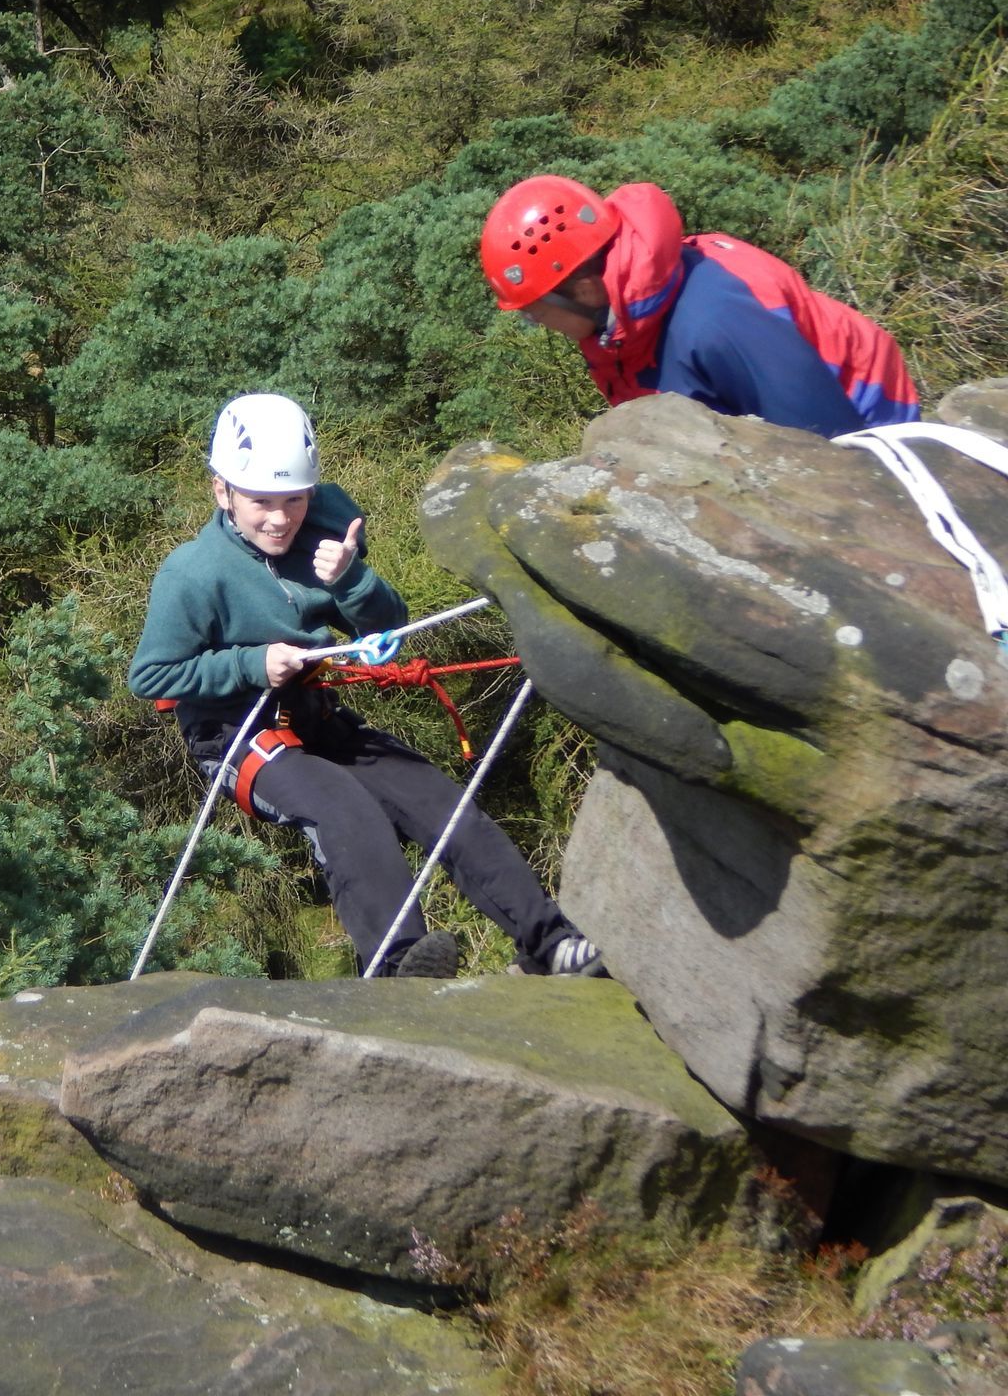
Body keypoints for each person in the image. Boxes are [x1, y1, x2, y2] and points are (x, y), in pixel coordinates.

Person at [127, 391, 607, 979]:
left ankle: (548, 942)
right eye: (260, 502)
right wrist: (253, 664)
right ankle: (395, 966)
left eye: (293, 500)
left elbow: (386, 635)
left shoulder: (330, 524)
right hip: (234, 731)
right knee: (345, 811)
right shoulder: (193, 573)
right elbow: (151, 676)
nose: (280, 519)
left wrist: (352, 580)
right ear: (221, 490)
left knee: (437, 802)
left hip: (313, 714)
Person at [480, 175, 919, 438]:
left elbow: (829, 444)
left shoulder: (717, 321)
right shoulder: (626, 321)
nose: (535, 322)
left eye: (534, 310)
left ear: (585, 287)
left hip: (867, 431)